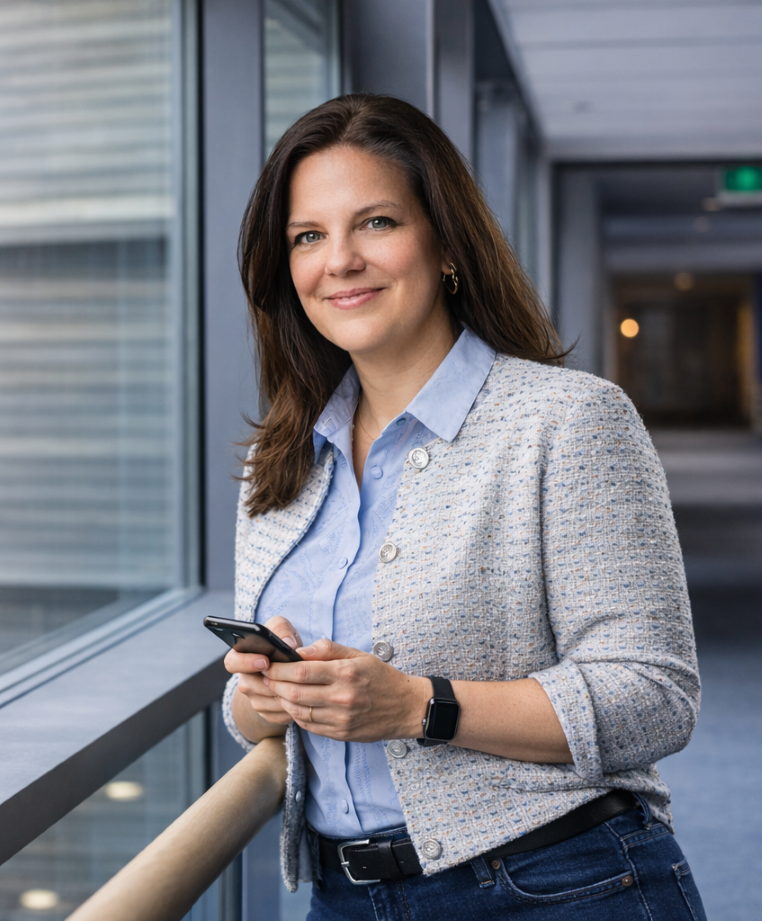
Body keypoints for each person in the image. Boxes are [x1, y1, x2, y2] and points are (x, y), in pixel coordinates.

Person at [222, 93, 706, 921]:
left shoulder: (567, 421)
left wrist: (419, 705)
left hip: (557, 883)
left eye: (376, 223)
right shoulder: (282, 459)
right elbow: (254, 710)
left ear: (445, 243)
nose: (339, 260)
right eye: (308, 236)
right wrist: (262, 699)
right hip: (346, 897)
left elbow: (655, 695)